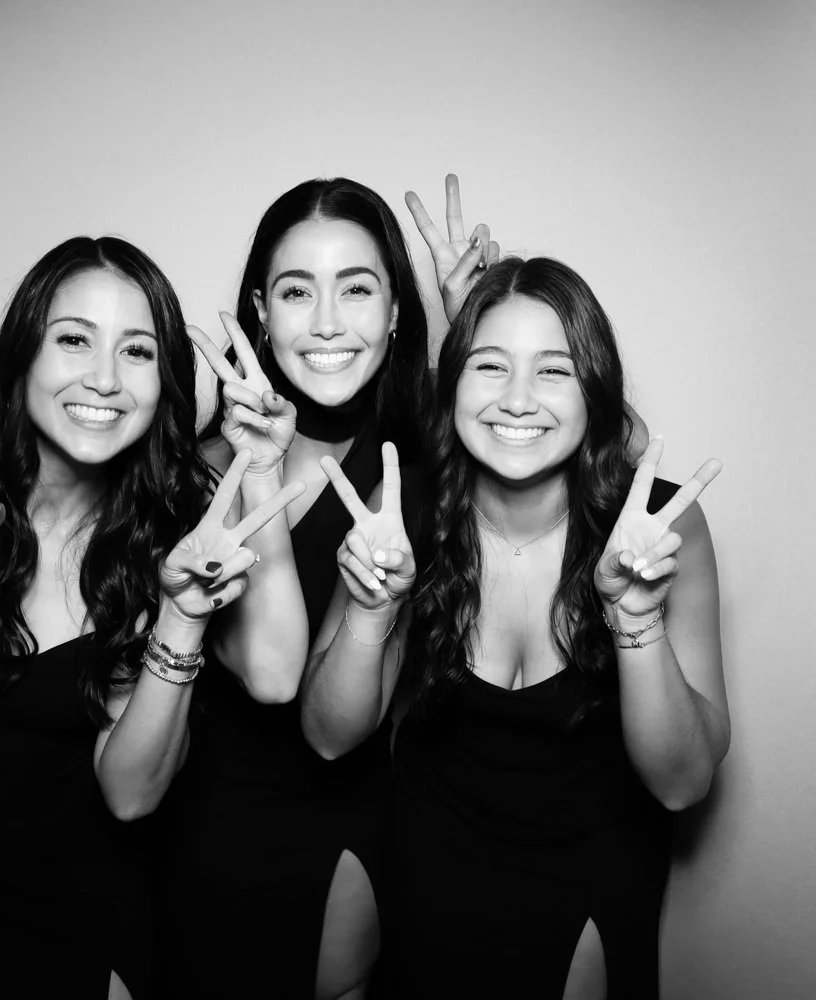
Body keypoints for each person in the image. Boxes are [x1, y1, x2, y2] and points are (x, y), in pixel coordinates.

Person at [0, 236, 298, 1000]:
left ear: (164, 384)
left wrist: (180, 616)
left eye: (137, 352)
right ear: (23, 355)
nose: (103, 379)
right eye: (73, 340)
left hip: (79, 949)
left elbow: (132, 795)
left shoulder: (162, 537)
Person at [303, 253, 729, 999]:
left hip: (592, 882)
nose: (518, 400)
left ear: (594, 388)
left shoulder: (661, 525)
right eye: (490, 367)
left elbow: (683, 784)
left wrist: (636, 621)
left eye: (554, 371)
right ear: (454, 385)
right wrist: (372, 611)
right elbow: (330, 736)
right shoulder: (410, 509)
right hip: (425, 877)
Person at [158, 177, 450, 1000]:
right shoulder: (190, 475)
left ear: (397, 312)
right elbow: (268, 673)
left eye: (357, 289)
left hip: (350, 830)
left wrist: (472, 322)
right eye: (297, 291)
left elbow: (598, 433)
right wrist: (255, 468)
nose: (326, 322)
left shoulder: (417, 481)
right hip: (197, 831)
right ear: (259, 309)